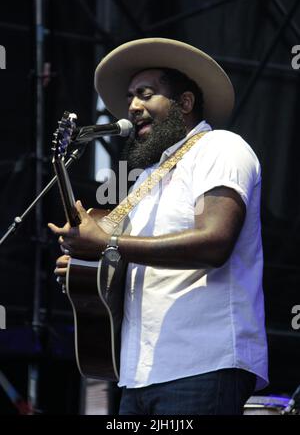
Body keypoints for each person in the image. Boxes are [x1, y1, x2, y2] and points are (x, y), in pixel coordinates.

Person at [48, 38, 268, 415]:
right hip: (138, 373)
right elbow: (125, 253)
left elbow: (214, 243)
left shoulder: (220, 147)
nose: (133, 107)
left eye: (145, 94)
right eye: (131, 97)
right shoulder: (145, 179)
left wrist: (107, 243)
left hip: (203, 363)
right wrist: (89, 265)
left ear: (184, 103)